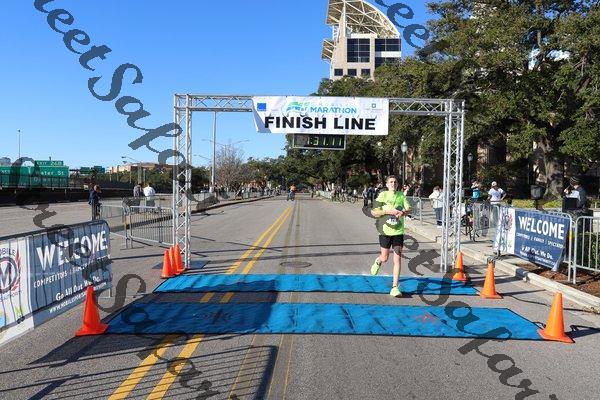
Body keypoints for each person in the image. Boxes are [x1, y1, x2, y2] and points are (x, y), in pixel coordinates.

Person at [369, 175, 412, 297]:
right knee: (385, 258)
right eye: (391, 182)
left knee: (397, 259)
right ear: (387, 184)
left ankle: (394, 287)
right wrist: (388, 211)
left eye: (395, 182)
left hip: (398, 232)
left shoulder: (401, 195)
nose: (393, 184)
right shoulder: (383, 195)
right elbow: (374, 212)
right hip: (385, 232)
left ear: (397, 184)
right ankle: (378, 261)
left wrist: (403, 212)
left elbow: (409, 208)